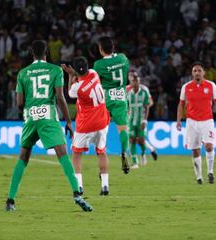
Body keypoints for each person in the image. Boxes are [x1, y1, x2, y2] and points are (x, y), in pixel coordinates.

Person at [5, 40, 92, 212]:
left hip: (30, 116)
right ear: (46, 52)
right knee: (62, 153)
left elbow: (19, 102)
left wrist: (29, 113)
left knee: (23, 157)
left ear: (31, 53)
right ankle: (77, 193)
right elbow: (60, 98)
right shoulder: (55, 70)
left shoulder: (22, 73)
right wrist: (67, 121)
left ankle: (10, 200)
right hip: (48, 115)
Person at [62, 57, 111, 196]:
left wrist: (70, 75)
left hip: (86, 124)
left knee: (76, 154)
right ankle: (105, 186)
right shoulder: (94, 73)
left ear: (76, 70)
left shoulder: (77, 87)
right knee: (101, 152)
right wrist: (76, 74)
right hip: (102, 121)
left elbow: (71, 92)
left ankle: (79, 186)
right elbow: (84, 77)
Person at [176, 61, 216, 184]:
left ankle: (210, 171)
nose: (197, 73)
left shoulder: (211, 85)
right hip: (191, 122)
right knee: (195, 150)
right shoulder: (186, 87)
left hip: (207, 121)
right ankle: (198, 176)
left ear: (204, 72)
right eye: (194, 71)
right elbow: (181, 104)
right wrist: (178, 120)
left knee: (209, 146)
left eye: (199, 70)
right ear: (192, 73)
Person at [93, 36, 131, 174]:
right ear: (113, 47)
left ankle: (102, 164)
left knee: (102, 130)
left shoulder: (98, 64)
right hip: (121, 96)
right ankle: (124, 153)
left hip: (106, 98)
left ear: (101, 49)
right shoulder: (123, 58)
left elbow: (96, 82)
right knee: (123, 129)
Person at [126, 71, 158, 169]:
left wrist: (144, 118)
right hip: (130, 120)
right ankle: (135, 162)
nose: (134, 80)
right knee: (131, 139)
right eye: (131, 77)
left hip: (141, 119)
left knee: (141, 140)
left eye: (135, 78)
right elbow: (125, 105)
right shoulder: (126, 90)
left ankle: (144, 154)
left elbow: (149, 103)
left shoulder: (144, 90)